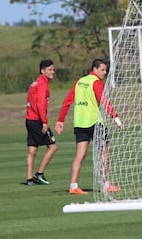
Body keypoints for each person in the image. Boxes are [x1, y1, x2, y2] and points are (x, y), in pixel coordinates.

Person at [55, 59, 122, 195]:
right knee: (105, 152)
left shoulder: (80, 82)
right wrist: (115, 117)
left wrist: (60, 120)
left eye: (106, 70)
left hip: (80, 123)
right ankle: (105, 185)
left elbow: (67, 101)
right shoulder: (96, 82)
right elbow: (103, 100)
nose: (105, 72)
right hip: (95, 123)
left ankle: (73, 185)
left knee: (80, 154)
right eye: (102, 69)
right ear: (95, 69)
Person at [25, 59, 58, 185]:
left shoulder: (35, 83)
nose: (52, 72)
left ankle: (29, 179)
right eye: (50, 70)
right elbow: (39, 104)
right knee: (53, 146)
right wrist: (44, 122)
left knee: (32, 150)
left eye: (53, 69)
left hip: (29, 119)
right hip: (37, 120)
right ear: (42, 71)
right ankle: (39, 174)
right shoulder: (42, 83)